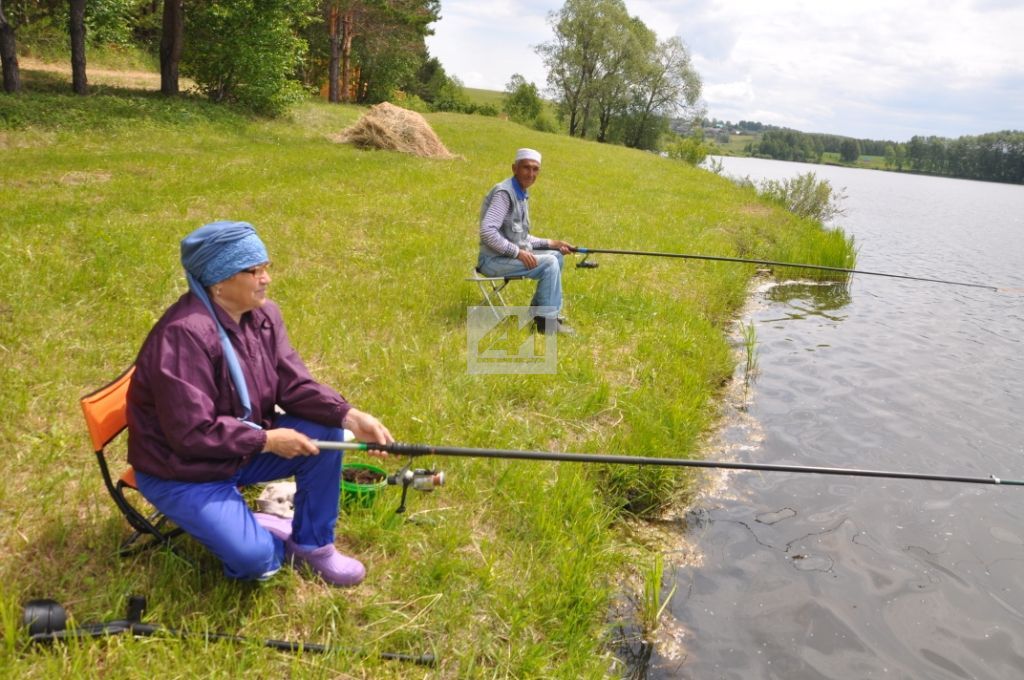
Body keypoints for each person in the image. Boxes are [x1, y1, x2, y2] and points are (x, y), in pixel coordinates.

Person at [126, 220, 392, 587]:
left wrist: (348, 416)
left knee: (325, 431)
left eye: (267, 267)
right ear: (218, 281)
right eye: (254, 271)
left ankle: (313, 547)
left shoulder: (263, 316)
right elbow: (190, 433)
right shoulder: (183, 335)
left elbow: (292, 383)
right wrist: (267, 441)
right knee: (257, 561)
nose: (266, 278)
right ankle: (262, 531)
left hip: (237, 449)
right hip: (182, 470)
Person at [478, 148, 575, 334]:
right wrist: (518, 253)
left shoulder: (521, 193)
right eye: (526, 168)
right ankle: (546, 322)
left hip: (506, 258)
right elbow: (488, 232)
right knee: (550, 262)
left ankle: (539, 314)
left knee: (556, 255)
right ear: (514, 168)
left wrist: (553, 243)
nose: (531, 174)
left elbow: (521, 238)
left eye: (535, 169)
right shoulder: (504, 194)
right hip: (493, 261)